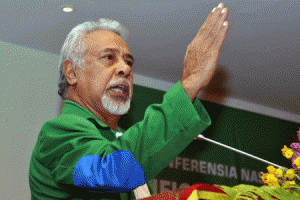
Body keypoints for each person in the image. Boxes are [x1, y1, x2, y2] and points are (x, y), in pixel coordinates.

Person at [29, 3, 229, 200]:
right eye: (108, 57)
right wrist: (188, 85)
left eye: (128, 61)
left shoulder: (120, 139)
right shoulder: (56, 134)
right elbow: (112, 169)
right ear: (72, 72)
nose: (125, 69)